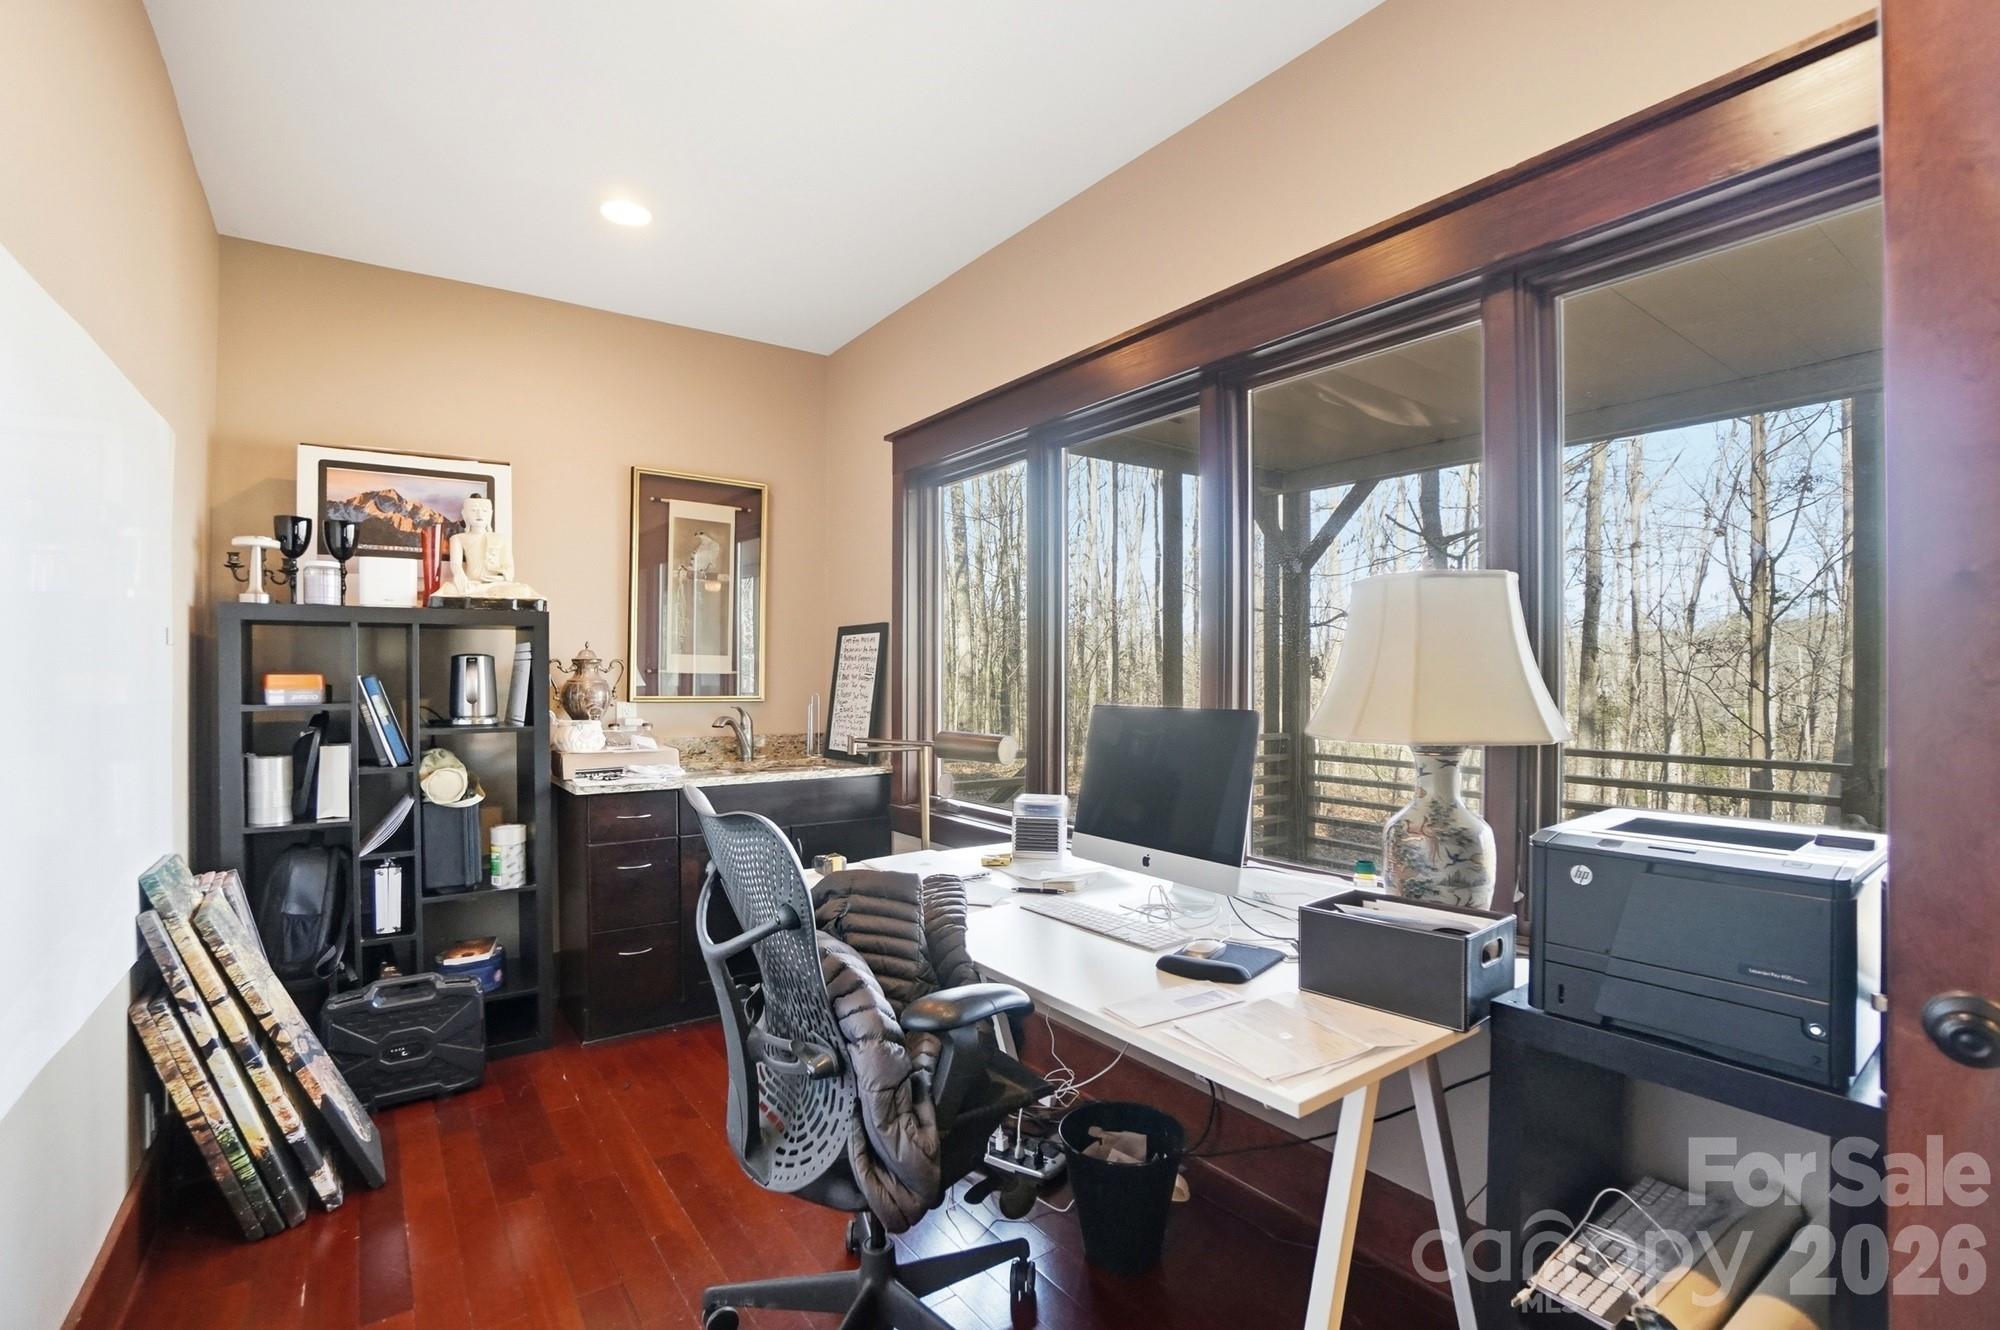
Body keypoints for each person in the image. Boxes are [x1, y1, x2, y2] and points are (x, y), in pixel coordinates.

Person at [436, 493, 542, 602]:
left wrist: (500, 578)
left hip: (495, 584)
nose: (479, 514)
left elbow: (509, 569)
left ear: (490, 514)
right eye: (473, 510)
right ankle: (488, 594)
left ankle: (486, 592)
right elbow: (456, 565)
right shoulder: (458, 538)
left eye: (484, 511)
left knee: (523, 590)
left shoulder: (501, 538)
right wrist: (459, 576)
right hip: (470, 584)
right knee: (448, 589)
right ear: (464, 514)